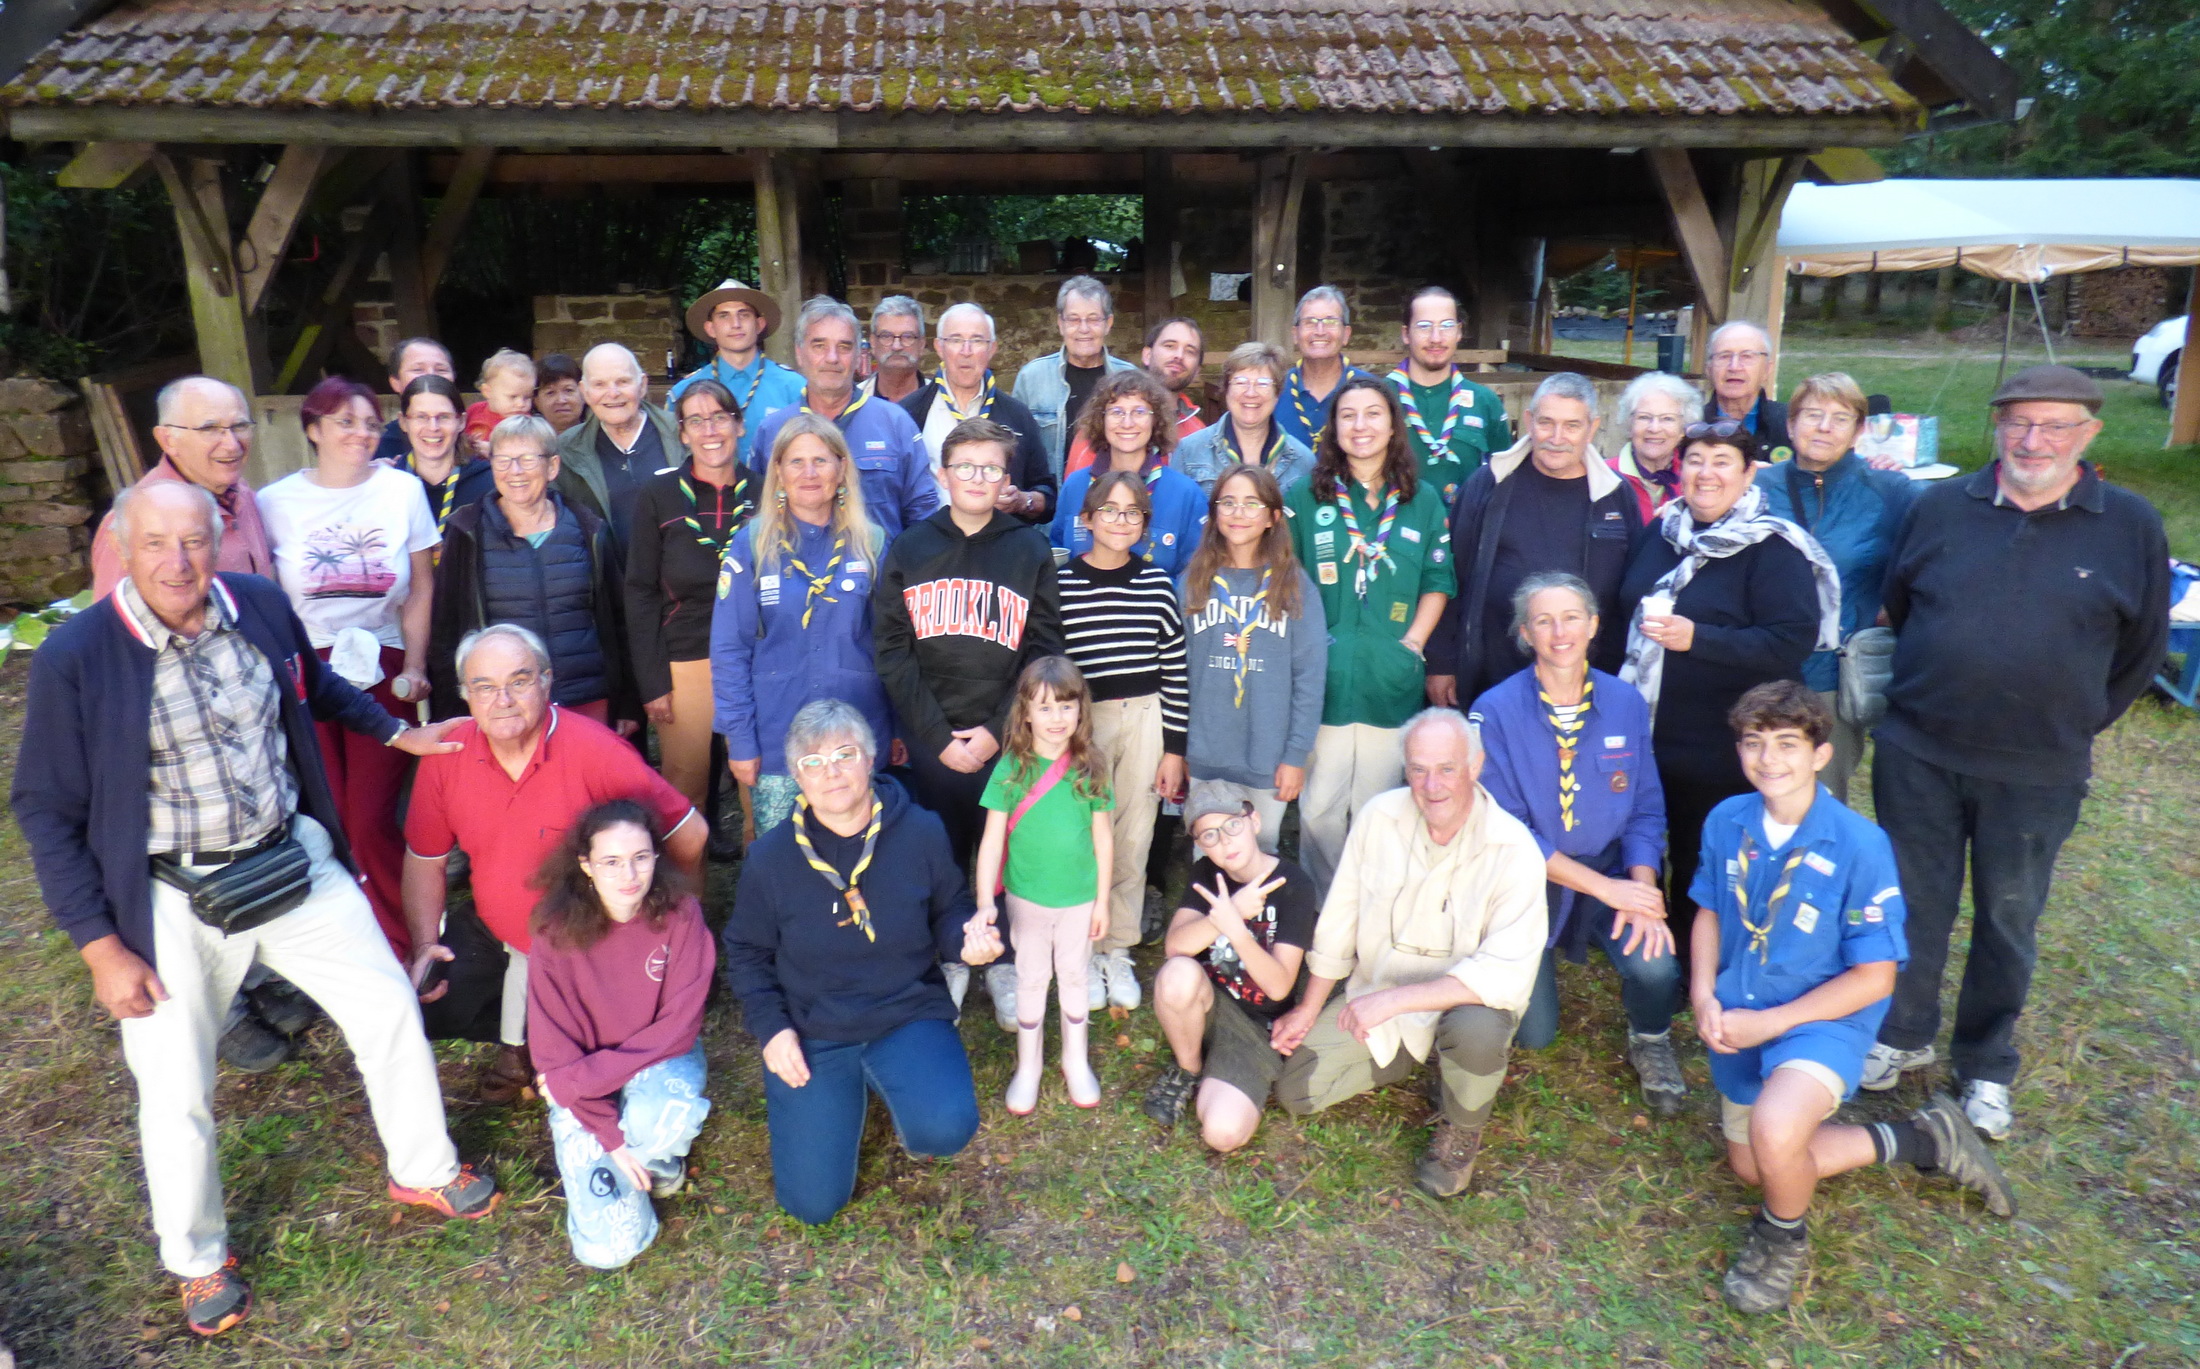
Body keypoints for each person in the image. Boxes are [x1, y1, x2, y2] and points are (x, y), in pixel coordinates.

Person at [11, 480, 500, 1338]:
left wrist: (398, 733)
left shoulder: (260, 606)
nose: (178, 560)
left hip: (290, 861)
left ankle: (422, 1164)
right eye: (156, 543)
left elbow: (314, 687)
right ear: (123, 548)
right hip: (173, 894)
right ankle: (198, 1260)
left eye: (194, 541)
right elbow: (46, 808)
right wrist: (99, 944)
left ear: (218, 541)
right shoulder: (80, 655)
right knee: (175, 1087)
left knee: (387, 1006)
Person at [1861, 365, 2169, 1138]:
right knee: (1912, 902)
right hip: (1920, 748)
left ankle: (1985, 1063)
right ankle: (1901, 1035)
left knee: (2007, 916)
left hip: (2037, 767)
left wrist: (2070, 720)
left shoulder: (2129, 525)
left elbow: (2141, 649)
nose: (2034, 439)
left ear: (2089, 434)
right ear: (1997, 427)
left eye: (2055, 425)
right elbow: (1900, 604)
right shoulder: (1940, 507)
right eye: (2020, 423)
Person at [1690, 682, 2012, 1316]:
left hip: (1821, 1018)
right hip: (1740, 1007)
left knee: (1776, 1130)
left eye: (1787, 744)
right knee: (1757, 1164)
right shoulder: (1726, 820)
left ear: (1819, 754)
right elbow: (1707, 912)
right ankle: (1924, 1139)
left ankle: (1782, 1238)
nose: (1769, 759)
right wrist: (1702, 994)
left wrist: (1772, 1024)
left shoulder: (1859, 844)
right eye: (1754, 743)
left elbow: (1875, 978)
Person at [723, 699, 1000, 1225]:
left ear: (871, 758)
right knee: (811, 1205)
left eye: (845, 754)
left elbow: (949, 911)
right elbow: (747, 952)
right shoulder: (771, 859)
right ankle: (842, 1090)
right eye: (813, 762)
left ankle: (894, 1077)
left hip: (905, 1009)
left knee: (945, 1130)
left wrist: (966, 941)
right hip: (814, 1027)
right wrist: (773, 1030)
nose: (832, 772)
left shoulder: (921, 832)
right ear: (797, 777)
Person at [404, 624, 704, 1103]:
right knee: (427, 1000)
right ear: (465, 694)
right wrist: (424, 945)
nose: (502, 699)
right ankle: (526, 1035)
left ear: (546, 681)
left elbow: (689, 834)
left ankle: (553, 1044)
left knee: (604, 1049)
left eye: (519, 681)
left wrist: (656, 924)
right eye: (484, 686)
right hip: (500, 932)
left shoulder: (596, 751)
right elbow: (424, 860)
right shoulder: (446, 755)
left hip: (585, 937)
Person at [1271, 709, 1546, 1198]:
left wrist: (1394, 1003)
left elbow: (1503, 974)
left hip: (1461, 1005)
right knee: (1297, 1090)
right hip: (1379, 991)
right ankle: (1429, 1063)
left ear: (1475, 766)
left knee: (1477, 1029)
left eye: (1446, 769)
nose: (1431, 784)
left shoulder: (1514, 849)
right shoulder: (1379, 817)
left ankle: (1462, 1125)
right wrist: (1310, 1006)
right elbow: (1340, 919)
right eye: (1418, 769)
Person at [1616, 421, 1839, 959]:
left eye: (1721, 461)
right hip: (1652, 726)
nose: (1706, 473)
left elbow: (1789, 642)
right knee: (1647, 841)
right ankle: (1649, 942)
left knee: (1704, 850)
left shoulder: (1771, 547)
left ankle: (1704, 960)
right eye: (1695, 460)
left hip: (1723, 737)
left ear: (1748, 474)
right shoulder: (1663, 530)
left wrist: (1699, 639)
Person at [872, 417, 1065, 1029]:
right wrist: (935, 735)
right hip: (933, 733)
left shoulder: (1028, 548)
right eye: (965, 467)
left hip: (1004, 733)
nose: (978, 478)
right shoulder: (910, 547)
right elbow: (892, 648)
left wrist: (995, 729)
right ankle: (953, 955)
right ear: (940, 475)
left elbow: (1043, 647)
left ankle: (1002, 957)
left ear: (1006, 479)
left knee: (1003, 845)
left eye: (991, 468)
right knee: (940, 847)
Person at [1469, 572, 1681, 1112]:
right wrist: (1609, 894)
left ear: (1593, 625)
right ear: (1525, 633)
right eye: (1543, 620)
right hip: (1527, 881)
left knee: (1657, 965)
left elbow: (1645, 808)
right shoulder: (1494, 710)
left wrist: (1640, 890)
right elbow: (1509, 830)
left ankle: (1651, 1038)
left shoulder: (1625, 702)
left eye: (1570, 618)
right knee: (1535, 1034)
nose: (1558, 632)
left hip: (1609, 868)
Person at [256, 375, 441, 952]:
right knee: (328, 815)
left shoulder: (402, 491)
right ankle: (346, 939)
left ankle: (405, 941)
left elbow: (420, 588)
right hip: (304, 667)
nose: (360, 434)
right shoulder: (274, 504)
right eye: (344, 422)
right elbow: (265, 594)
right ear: (312, 430)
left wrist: (414, 665)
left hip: (380, 667)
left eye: (368, 422)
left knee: (368, 816)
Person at [527, 799, 714, 1270]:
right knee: (611, 1251)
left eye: (641, 857)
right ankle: (628, 1159)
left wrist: (574, 1083)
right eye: (611, 861)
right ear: (586, 866)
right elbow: (554, 1055)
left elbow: (677, 1030)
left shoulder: (682, 915)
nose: (629, 874)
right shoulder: (554, 935)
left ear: (656, 857)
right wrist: (608, 1134)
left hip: (657, 1062)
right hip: (588, 1084)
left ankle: (655, 1159)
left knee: (658, 1118)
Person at [1285, 376, 1453, 891]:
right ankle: (1328, 900)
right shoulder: (1305, 498)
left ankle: (1372, 903)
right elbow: (1287, 581)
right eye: (1348, 415)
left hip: (1389, 678)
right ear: (1333, 428)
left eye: (1373, 414)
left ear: (1392, 424)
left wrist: (1414, 644)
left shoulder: (1420, 500)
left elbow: (1437, 579)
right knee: (1318, 809)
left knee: (1379, 808)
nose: (1361, 426)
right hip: (1328, 679)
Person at [713, 414, 892, 836]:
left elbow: (893, 645)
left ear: (841, 468)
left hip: (859, 734)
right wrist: (740, 739)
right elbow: (729, 648)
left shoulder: (874, 544)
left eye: (821, 461)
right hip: (777, 737)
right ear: (777, 471)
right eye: (796, 462)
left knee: (860, 855)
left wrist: (895, 728)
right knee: (783, 861)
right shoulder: (752, 544)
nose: (809, 473)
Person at [1428, 372, 1641, 709]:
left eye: (1572, 426)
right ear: (1528, 421)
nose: (1557, 438)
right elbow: (1449, 574)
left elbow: (1630, 592)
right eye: (1546, 423)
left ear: (1592, 426)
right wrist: (1441, 662)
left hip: (1587, 680)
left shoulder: (1616, 495)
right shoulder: (1489, 483)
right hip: (1492, 675)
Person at [1058, 470, 1189, 1011]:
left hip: (1144, 718)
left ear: (1145, 525)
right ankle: (1083, 947)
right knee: (1082, 836)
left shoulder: (1156, 584)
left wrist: (1174, 749)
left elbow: (1174, 669)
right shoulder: (1062, 582)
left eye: (1132, 512)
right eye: (1108, 511)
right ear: (1085, 520)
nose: (1120, 520)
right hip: (1082, 723)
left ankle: (1119, 946)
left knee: (1134, 833)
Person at [1752, 372, 1914, 802]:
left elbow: (1925, 566)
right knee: (1747, 795)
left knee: (1815, 800)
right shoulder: (1756, 488)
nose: (1824, 427)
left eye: (1840, 418)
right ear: (1790, 425)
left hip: (1831, 679)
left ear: (1858, 431)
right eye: (1813, 415)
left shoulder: (1889, 491)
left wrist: (1888, 616)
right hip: (1757, 668)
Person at [430, 415, 637, 729]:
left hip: (585, 700)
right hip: (502, 707)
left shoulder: (588, 528)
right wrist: (451, 714)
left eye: (527, 460)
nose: (515, 472)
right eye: (503, 461)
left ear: (552, 467)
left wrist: (628, 704)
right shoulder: (467, 530)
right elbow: (446, 628)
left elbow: (621, 623)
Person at [1142, 784, 1318, 1152]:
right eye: (1210, 835)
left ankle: (1222, 1075)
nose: (1224, 841)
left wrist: (1237, 931)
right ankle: (1188, 1069)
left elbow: (1279, 986)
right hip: (1207, 1002)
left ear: (1253, 820)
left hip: (1256, 1027)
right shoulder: (1207, 873)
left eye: (1232, 825)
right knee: (1177, 975)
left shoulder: (1292, 884)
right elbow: (1176, 946)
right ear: (1200, 844)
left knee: (1222, 1134)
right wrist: (1231, 912)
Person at [974, 657, 1114, 1112]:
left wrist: (1102, 902)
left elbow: (1103, 839)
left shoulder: (1091, 766)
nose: (1057, 719)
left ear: (1081, 710)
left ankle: (1075, 1060)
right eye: (1046, 708)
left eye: (1067, 707)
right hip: (1027, 898)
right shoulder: (1010, 768)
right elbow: (992, 841)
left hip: (1079, 898)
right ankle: (1028, 1065)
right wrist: (983, 903)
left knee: (1075, 974)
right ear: (1026, 713)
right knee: (1032, 977)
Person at [625, 378, 758, 814]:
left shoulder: (767, 492)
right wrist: (653, 682)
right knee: (685, 790)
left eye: (720, 417)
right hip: (685, 658)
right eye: (696, 421)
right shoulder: (658, 495)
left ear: (739, 425)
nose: (710, 430)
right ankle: (686, 884)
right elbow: (641, 591)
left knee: (761, 786)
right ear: (681, 432)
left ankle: (766, 876)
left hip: (759, 654)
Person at [1181, 465, 1326, 849]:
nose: (1238, 513)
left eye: (1251, 503)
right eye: (1227, 502)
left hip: (1267, 754)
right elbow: (1178, 675)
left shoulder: (1295, 587)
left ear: (1272, 517)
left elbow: (1309, 679)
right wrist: (1177, 748)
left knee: (1260, 852)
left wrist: (1296, 755)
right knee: (1209, 853)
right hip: (1206, 751)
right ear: (1213, 513)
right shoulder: (1192, 581)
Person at [748, 296, 940, 540]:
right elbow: (758, 518)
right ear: (799, 353)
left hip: (879, 574)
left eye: (844, 347)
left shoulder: (895, 423)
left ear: (859, 355)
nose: (832, 358)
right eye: (819, 346)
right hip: (793, 573)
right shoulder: (772, 431)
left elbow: (922, 518)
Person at [90, 376, 273, 598]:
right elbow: (115, 624)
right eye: (210, 429)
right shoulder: (134, 521)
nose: (232, 444)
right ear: (167, 440)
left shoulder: (242, 495)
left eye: (240, 426)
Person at [899, 301, 1055, 521]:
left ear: (992, 349)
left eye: (977, 340)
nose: (966, 351)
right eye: (955, 340)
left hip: (1001, 547)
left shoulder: (1018, 415)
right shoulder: (909, 413)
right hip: (931, 547)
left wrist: (1022, 501)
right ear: (939, 347)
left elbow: (1047, 498)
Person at [1050, 369, 1207, 577]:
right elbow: (1059, 554)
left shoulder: (1186, 494)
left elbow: (1195, 575)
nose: (1127, 423)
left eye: (1139, 412)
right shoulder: (1075, 487)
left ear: (1156, 420)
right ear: (1101, 419)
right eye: (1116, 412)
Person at [1385, 285, 1512, 510]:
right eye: (1424, 326)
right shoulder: (1378, 397)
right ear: (1406, 334)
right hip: (1392, 539)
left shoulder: (1485, 402)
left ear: (1459, 332)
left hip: (1463, 539)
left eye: (1446, 326)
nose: (1436, 338)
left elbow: (1505, 482)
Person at [554, 343, 682, 558]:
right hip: (607, 585)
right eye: (599, 384)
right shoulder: (567, 450)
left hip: (680, 584)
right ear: (584, 392)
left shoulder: (682, 435)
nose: (612, 394)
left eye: (623, 382)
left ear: (642, 385)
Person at [1011, 275, 1138, 476]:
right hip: (1049, 503)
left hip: (1114, 502)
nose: (1084, 329)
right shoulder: (1031, 378)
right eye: (1074, 319)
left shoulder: (1131, 378)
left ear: (1108, 323)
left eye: (1094, 319)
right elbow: (1015, 450)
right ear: (1060, 323)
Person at [669, 279, 804, 463]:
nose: (735, 324)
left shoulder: (794, 387)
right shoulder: (684, 391)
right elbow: (674, 457)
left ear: (759, 324)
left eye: (744, 314)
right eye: (724, 316)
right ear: (710, 328)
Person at [1061, 316, 1209, 477]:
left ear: (1197, 371)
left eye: (1190, 351)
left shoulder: (1200, 433)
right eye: (1170, 346)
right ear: (1147, 355)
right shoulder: (1102, 423)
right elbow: (1078, 495)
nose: (1179, 355)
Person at [1174, 341, 1315, 494]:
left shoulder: (1303, 461)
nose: (1250, 393)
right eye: (1241, 382)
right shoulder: (1188, 451)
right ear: (1226, 390)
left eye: (1262, 383)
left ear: (1277, 394)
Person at [392, 374, 495, 543]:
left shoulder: (489, 484)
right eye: (421, 417)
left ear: (461, 421)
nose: (433, 427)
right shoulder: (388, 483)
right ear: (403, 422)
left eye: (444, 417)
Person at [1275, 285, 1374, 451]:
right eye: (1310, 322)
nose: (1320, 331)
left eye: (1330, 322)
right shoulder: (1275, 390)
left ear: (1346, 334)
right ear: (1295, 334)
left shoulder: (1372, 391)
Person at [1608, 370, 1701, 525]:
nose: (1654, 428)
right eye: (1644, 417)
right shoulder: (1605, 476)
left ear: (1683, 429)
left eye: (1667, 419)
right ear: (1629, 424)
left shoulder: (1696, 477)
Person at [1705, 322, 1792, 460]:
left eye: (1747, 356)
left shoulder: (1791, 423)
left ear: (1767, 369)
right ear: (1709, 369)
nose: (1734, 367)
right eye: (1724, 356)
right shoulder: (1691, 424)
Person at [372, 336, 458, 462]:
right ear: (395, 382)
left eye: (441, 370)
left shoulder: (474, 437)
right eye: (418, 369)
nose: (430, 376)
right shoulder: (381, 447)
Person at [463, 348, 537, 460]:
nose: (521, 404)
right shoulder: (474, 411)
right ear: (487, 391)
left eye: (527, 397)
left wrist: (494, 451)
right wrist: (467, 442)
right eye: (513, 397)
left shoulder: (524, 424)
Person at [861, 294, 927, 404]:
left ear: (921, 344)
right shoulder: (853, 402)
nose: (897, 346)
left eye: (907, 336)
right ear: (872, 342)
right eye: (886, 336)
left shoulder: (943, 401)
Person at [533, 352, 589, 435]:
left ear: (583, 394)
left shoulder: (600, 438)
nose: (561, 400)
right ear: (536, 401)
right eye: (550, 393)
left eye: (568, 390)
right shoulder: (525, 441)